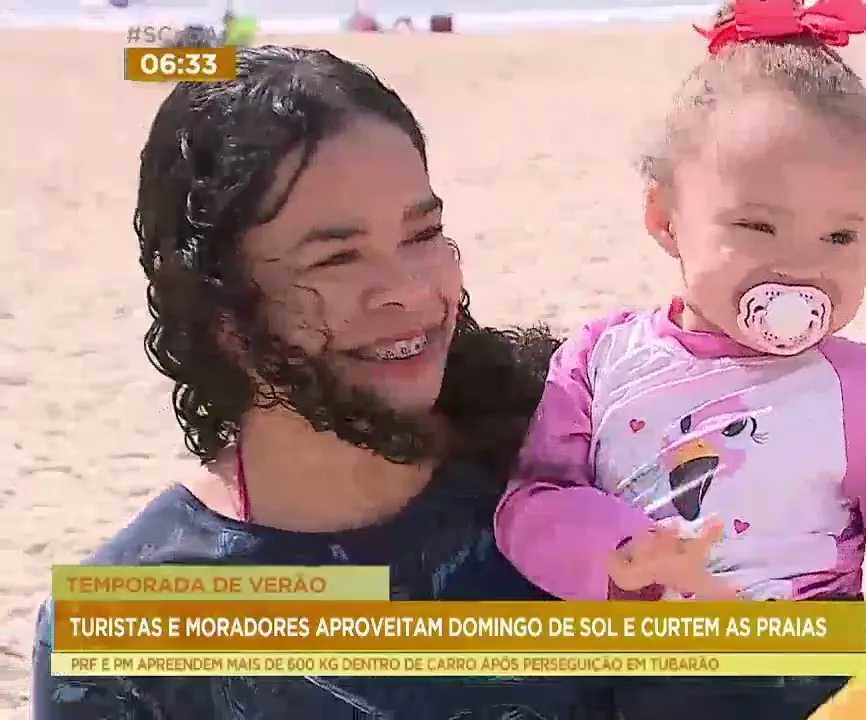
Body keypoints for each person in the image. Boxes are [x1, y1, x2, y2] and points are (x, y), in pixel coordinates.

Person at [30, 45, 611, 719]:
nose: (410, 292)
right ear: (218, 306)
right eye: (337, 257)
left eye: (422, 233)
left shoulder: (573, 463)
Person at [494, 0, 866, 717]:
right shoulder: (601, 360)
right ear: (666, 219)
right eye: (758, 226)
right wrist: (615, 551)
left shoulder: (863, 390)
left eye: (840, 238)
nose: (800, 265)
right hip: (652, 671)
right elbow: (533, 501)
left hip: (814, 672)